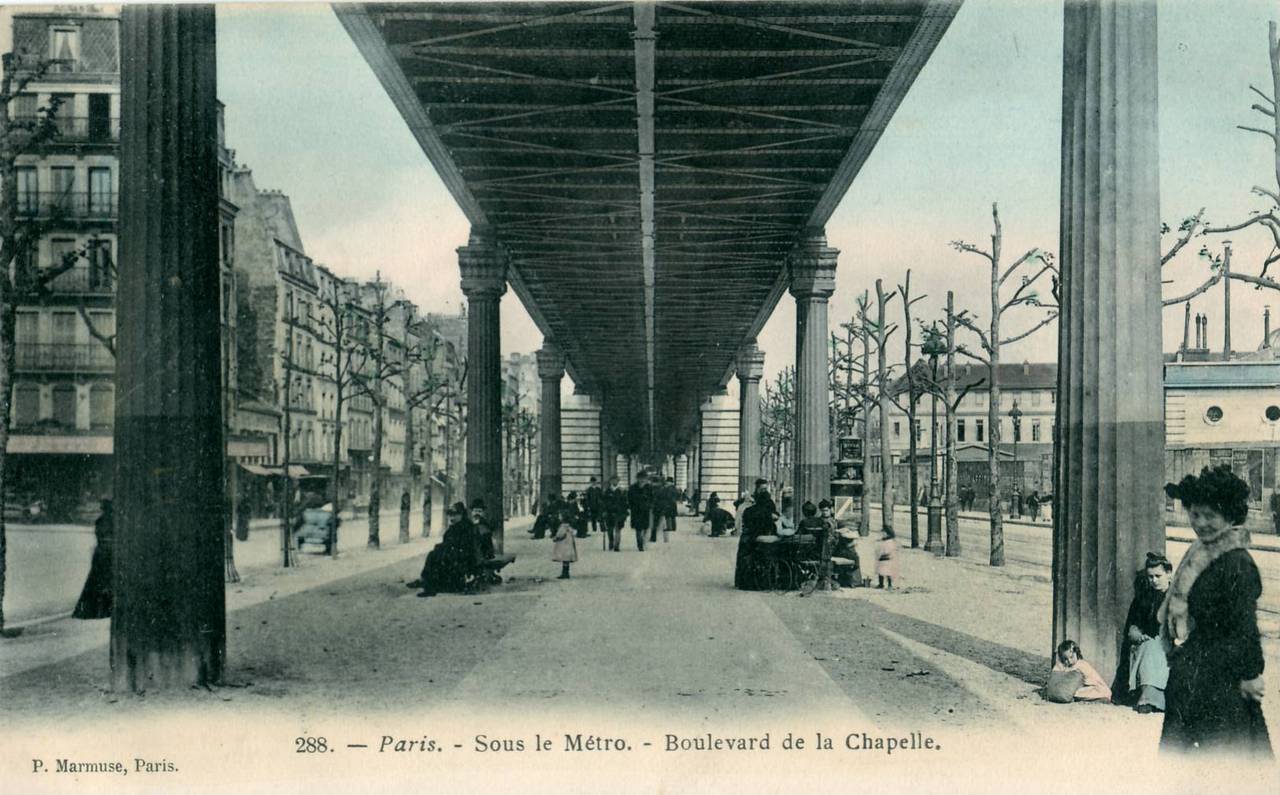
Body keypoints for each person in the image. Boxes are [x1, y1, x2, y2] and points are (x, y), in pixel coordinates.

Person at [1160, 466, 1272, 758]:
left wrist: (1250, 674)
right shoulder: (1201, 552)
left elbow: (1245, 626)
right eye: (1195, 514)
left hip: (1224, 677)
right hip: (1196, 672)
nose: (1201, 523)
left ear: (1230, 516)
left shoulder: (1236, 562)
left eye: (1210, 516)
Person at [1112, 552, 1172, 713]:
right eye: (1150, 577)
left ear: (1169, 574)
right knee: (1150, 648)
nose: (1154, 580)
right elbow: (1132, 626)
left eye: (1158, 576)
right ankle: (1149, 698)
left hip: (1172, 643)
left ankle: (1156, 700)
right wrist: (1135, 632)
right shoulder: (1143, 598)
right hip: (1147, 645)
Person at [410, 502, 479, 597]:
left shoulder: (466, 528)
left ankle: (429, 586)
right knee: (434, 554)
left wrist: (443, 550)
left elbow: (464, 547)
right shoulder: (456, 527)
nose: (452, 518)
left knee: (434, 556)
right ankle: (426, 582)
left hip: (463, 560)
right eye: (450, 515)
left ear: (462, 515)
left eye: (455, 515)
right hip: (456, 557)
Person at [73, 499, 114, 619]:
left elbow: (99, 536)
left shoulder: (100, 521)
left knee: (96, 581)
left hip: (100, 553)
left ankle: (92, 610)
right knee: (106, 581)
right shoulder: (114, 521)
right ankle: (105, 610)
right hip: (109, 553)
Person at [735, 488, 777, 590]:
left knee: (743, 556)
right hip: (763, 539)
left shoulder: (748, 510)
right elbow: (772, 527)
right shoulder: (768, 513)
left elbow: (745, 524)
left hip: (749, 538)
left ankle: (742, 581)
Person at [628, 470, 653, 551]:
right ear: (637, 479)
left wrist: (649, 505)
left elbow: (652, 498)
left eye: (644, 478)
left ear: (646, 479)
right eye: (640, 478)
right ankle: (640, 544)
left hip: (645, 511)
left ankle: (643, 542)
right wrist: (631, 507)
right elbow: (629, 499)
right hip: (636, 511)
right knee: (638, 529)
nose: (642, 480)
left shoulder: (649, 488)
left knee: (645, 527)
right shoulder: (632, 488)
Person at [552, 505, 578, 580]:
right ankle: (566, 573)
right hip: (569, 546)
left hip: (564, 546)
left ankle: (565, 574)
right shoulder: (569, 527)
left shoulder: (562, 527)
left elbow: (560, 535)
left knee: (564, 560)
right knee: (566, 560)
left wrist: (555, 538)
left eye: (560, 516)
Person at [602, 476, 628, 551]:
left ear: (618, 481)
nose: (614, 482)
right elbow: (603, 502)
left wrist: (624, 512)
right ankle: (611, 541)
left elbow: (625, 503)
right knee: (610, 529)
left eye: (616, 480)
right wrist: (604, 511)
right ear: (610, 481)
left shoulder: (622, 491)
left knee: (618, 529)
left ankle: (617, 545)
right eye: (612, 480)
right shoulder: (607, 491)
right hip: (609, 513)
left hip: (619, 513)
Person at [656, 476, 679, 543]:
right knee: (673, 516)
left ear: (669, 482)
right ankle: (674, 527)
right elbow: (677, 495)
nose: (667, 482)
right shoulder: (674, 488)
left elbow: (666, 496)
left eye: (667, 481)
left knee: (668, 515)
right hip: (673, 504)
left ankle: (670, 527)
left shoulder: (668, 488)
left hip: (669, 504)